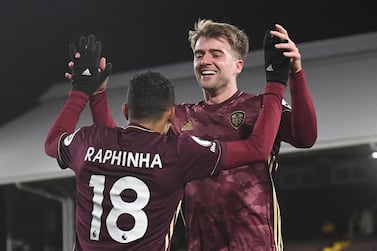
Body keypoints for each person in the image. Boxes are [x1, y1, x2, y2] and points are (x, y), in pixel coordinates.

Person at [45, 34, 288, 250]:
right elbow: (257, 148)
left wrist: (84, 90)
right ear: (171, 115)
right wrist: (277, 80)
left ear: (126, 110)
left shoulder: (91, 141)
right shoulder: (177, 153)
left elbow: (53, 142)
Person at [171, 19, 318, 251]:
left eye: (216, 54)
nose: (205, 61)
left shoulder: (262, 105)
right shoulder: (178, 117)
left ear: (238, 65)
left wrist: (295, 73)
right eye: (199, 55)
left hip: (257, 245)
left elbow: (305, 137)